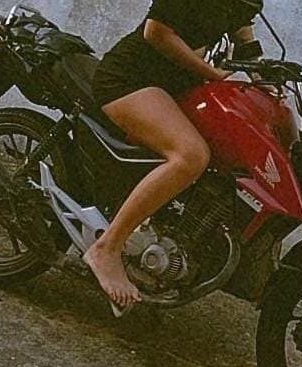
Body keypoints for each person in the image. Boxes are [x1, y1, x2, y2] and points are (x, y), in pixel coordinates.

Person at [86, 0, 265, 308]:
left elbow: (243, 36)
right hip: (132, 79)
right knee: (191, 156)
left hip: (179, 86)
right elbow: (156, 32)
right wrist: (213, 74)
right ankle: (107, 248)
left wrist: (265, 81)